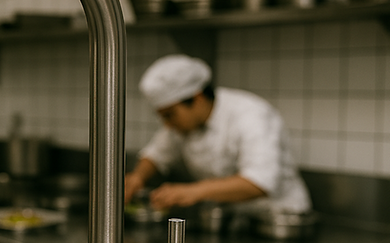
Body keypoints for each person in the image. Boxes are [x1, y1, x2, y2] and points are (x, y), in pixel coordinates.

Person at [124, 54, 311, 214]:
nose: (167, 124)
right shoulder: (181, 126)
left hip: (279, 219)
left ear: (196, 98)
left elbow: (259, 182)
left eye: (170, 115)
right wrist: (137, 177)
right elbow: (156, 154)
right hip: (236, 220)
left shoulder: (251, 115)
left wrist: (193, 191)